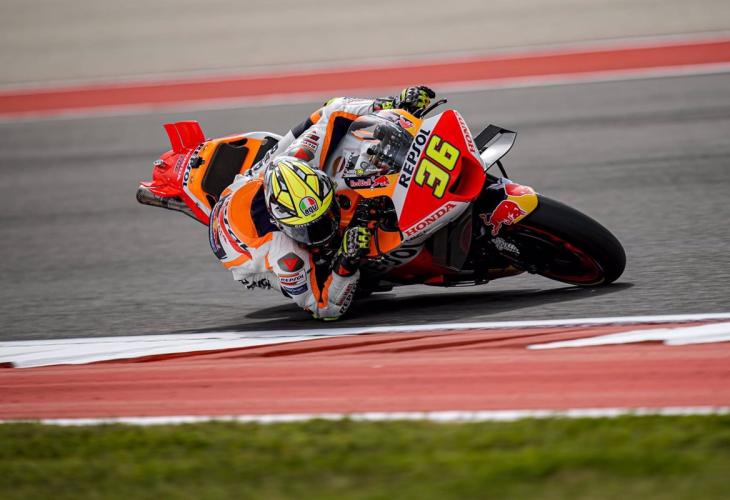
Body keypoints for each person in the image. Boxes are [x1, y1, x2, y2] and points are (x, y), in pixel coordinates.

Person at [208, 86, 436, 320]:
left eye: (326, 217)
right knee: (334, 272)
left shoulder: (302, 156)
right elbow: (323, 308)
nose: (324, 231)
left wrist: (390, 104)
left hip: (253, 182)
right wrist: (347, 261)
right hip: (243, 250)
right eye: (309, 229)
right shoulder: (285, 255)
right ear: (282, 224)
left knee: (337, 138)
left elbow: (334, 109)